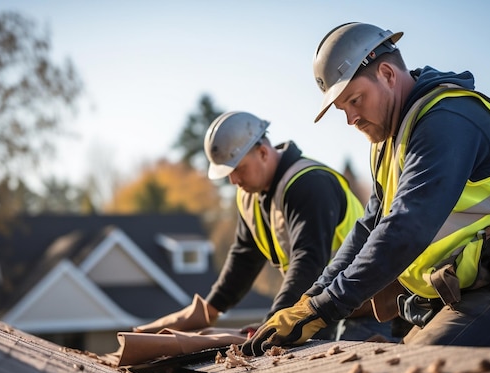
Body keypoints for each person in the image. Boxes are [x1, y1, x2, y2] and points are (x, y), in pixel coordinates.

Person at [242, 22, 490, 356]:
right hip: (449, 294)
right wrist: (311, 300)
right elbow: (369, 228)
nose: (351, 119)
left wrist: (326, 307)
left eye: (355, 100)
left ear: (386, 73)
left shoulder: (448, 118)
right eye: (343, 109)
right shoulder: (388, 141)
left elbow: (405, 227)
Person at [134, 110, 397, 342]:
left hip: (366, 306)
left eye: (239, 169)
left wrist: (274, 322)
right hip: (319, 306)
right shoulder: (250, 195)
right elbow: (244, 259)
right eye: (228, 174)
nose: (234, 180)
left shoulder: (310, 183)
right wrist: (210, 310)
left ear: (262, 152)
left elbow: (308, 262)